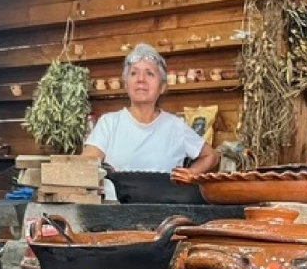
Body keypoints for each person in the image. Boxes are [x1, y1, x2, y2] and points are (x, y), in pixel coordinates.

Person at [82, 44, 219, 179]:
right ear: (126, 84)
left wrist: (191, 173)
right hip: (118, 195)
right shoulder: (109, 124)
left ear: (162, 86)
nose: (141, 79)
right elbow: (85, 166)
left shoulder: (176, 126)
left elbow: (211, 156)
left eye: (150, 73)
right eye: (134, 73)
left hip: (164, 194)